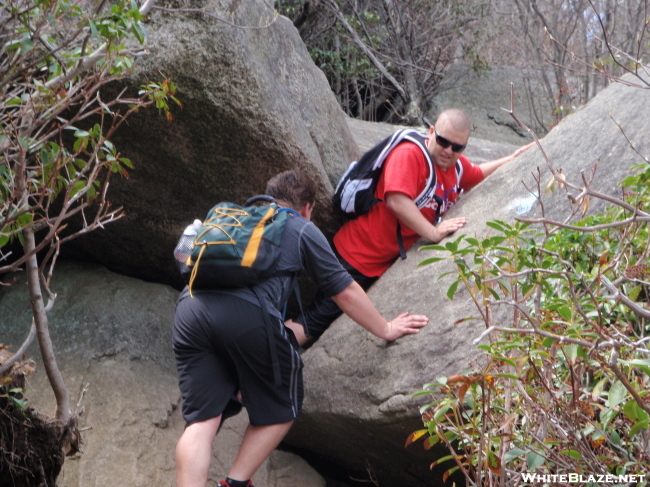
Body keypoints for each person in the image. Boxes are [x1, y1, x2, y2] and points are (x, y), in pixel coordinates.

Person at [172, 170, 429, 487]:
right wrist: (386, 328)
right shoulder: (299, 226)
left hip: (190, 309)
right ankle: (235, 483)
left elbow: (185, 258)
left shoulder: (233, 222)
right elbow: (344, 291)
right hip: (247, 313)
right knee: (283, 406)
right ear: (307, 207)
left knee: (201, 423)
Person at [286, 108, 534, 345]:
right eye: (443, 141)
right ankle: (260, 355)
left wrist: (513, 158)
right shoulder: (410, 155)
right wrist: (433, 232)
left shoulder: (454, 167)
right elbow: (396, 200)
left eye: (457, 147)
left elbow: (477, 174)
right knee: (315, 321)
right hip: (355, 256)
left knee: (321, 320)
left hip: (378, 263)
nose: (448, 150)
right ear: (431, 131)